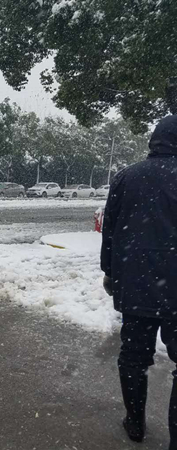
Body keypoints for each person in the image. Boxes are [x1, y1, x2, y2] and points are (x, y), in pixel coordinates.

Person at [101, 114, 177, 448]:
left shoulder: (126, 177)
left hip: (136, 284)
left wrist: (109, 272)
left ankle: (135, 422)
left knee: (134, 356)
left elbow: (110, 231)